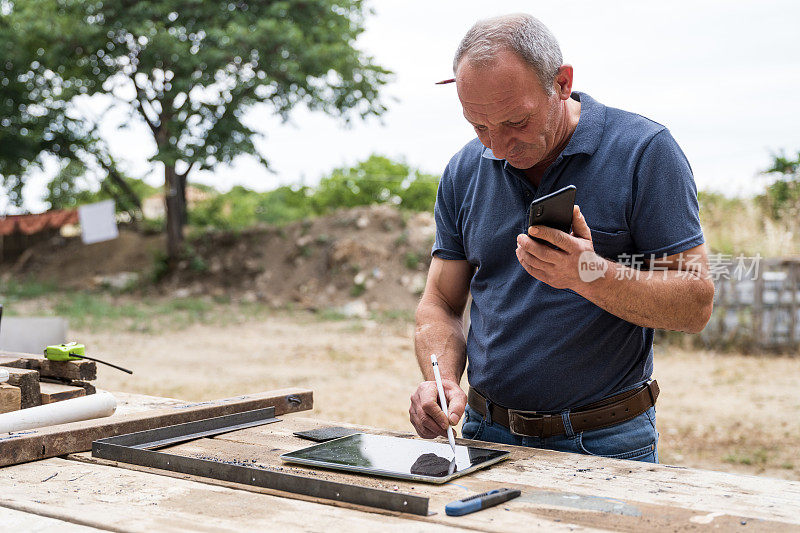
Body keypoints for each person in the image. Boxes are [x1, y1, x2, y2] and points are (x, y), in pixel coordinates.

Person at [409, 13, 714, 463]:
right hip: (484, 432)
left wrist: (588, 274)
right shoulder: (463, 170)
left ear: (562, 83)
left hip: (606, 441)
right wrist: (442, 379)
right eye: (478, 125)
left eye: (516, 122)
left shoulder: (645, 152)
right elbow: (440, 302)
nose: (496, 147)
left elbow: (695, 304)